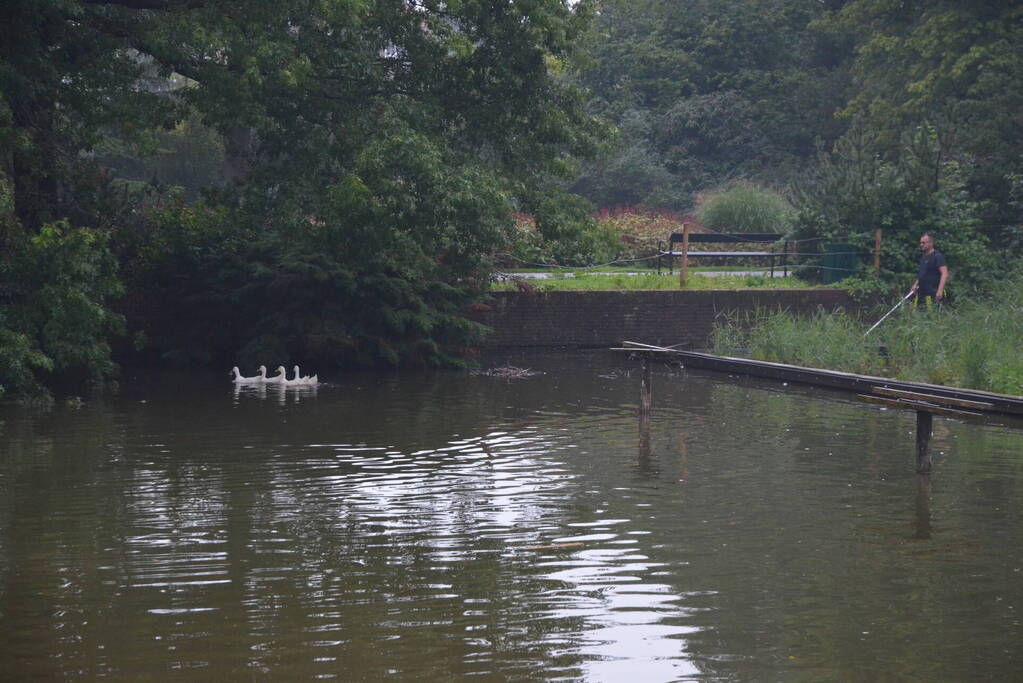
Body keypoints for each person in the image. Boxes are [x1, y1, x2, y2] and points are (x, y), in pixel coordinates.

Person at [911, 233, 948, 305]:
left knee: (933, 315)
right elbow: (923, 274)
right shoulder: (923, 257)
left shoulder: (937, 256)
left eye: (924, 243)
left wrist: (940, 290)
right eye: (920, 243)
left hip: (933, 292)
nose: (921, 245)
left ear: (931, 243)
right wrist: (915, 284)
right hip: (922, 293)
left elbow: (945, 274)